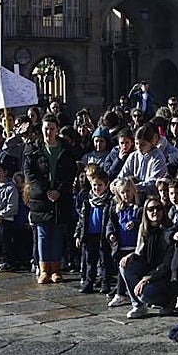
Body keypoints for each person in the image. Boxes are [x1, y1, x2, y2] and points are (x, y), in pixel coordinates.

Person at [24, 116, 77, 285]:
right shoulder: (32, 149)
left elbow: (70, 173)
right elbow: (30, 175)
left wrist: (59, 191)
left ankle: (56, 268)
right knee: (42, 234)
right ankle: (44, 268)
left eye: (52, 129)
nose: (49, 132)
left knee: (57, 233)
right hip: (41, 199)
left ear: (57, 129)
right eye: (46, 129)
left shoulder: (66, 149)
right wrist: (46, 191)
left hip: (61, 199)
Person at [74, 166, 112, 294]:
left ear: (106, 185)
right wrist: (78, 234)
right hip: (90, 234)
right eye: (94, 185)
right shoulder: (87, 201)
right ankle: (88, 282)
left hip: (103, 235)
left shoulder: (109, 201)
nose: (97, 188)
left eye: (100, 185)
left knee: (105, 261)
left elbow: (111, 219)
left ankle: (105, 283)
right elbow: (81, 219)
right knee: (90, 260)